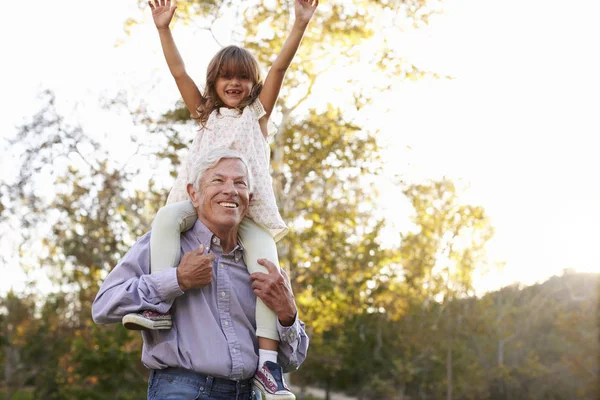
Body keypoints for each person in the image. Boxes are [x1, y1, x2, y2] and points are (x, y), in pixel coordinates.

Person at [120, 0, 317, 398]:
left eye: (243, 78)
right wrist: (163, 30)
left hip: (247, 211)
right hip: (198, 207)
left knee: (267, 271)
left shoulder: (256, 115)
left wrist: (299, 23)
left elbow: (279, 67)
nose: (234, 84)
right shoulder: (204, 114)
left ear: (252, 84)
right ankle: (157, 306)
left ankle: (267, 366)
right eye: (226, 77)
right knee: (163, 223)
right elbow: (178, 71)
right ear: (213, 82)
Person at [92, 149, 309, 400]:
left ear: (248, 198)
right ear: (194, 194)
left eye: (239, 183)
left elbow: (293, 360)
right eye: (218, 180)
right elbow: (103, 307)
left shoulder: (263, 263)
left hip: (249, 393)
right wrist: (177, 280)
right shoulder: (162, 244)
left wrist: (287, 313)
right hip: (181, 390)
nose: (230, 190)